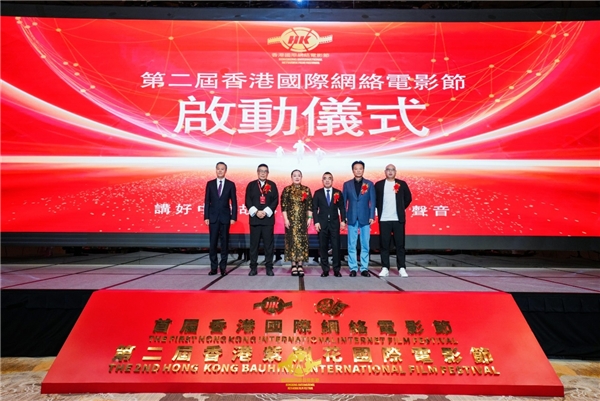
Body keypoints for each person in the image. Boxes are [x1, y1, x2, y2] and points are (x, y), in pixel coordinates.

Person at [375, 164, 412, 277]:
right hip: (384, 219)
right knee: (384, 245)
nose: (390, 172)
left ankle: (401, 268)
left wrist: (400, 208)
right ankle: (385, 267)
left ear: (395, 172)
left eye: (392, 170)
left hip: (398, 219)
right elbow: (375, 200)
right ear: (385, 171)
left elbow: (408, 198)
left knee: (400, 245)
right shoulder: (379, 185)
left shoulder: (402, 184)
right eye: (388, 170)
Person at [343, 161, 376, 277]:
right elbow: (344, 202)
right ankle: (353, 268)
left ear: (363, 170)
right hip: (351, 217)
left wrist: (372, 216)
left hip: (365, 217)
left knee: (365, 244)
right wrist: (344, 217)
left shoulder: (369, 184)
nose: (358, 171)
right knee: (351, 244)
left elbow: (373, 201)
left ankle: (364, 268)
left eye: (360, 168)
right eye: (356, 169)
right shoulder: (347, 184)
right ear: (353, 170)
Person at [245, 164, 279, 276]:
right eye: (261, 171)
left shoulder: (272, 185)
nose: (263, 173)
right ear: (257, 172)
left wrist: (265, 212)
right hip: (255, 219)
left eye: (265, 171)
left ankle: (269, 267)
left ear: (268, 173)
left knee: (268, 245)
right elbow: (247, 200)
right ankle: (253, 267)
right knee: (254, 245)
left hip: (267, 220)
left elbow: (275, 200)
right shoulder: (251, 185)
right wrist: (256, 212)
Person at [204, 162, 237, 276]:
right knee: (213, 243)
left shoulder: (230, 184)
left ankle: (223, 267)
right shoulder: (210, 184)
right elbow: (207, 202)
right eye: (218, 169)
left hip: (225, 218)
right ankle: (213, 268)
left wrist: (233, 217)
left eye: (222, 169)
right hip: (213, 218)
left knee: (224, 243)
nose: (220, 171)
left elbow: (234, 202)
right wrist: (206, 216)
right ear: (215, 170)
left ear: (225, 171)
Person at [313, 172, 346, 277]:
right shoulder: (318, 193)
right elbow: (314, 209)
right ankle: (325, 269)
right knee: (323, 247)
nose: (327, 180)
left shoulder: (338, 192)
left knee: (336, 247)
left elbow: (342, 208)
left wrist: (343, 220)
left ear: (332, 180)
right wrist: (316, 222)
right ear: (322, 181)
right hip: (322, 224)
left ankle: (336, 269)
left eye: (329, 178)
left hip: (334, 223)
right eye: (325, 178)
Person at [281, 170, 313, 276]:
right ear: (291, 177)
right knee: (292, 241)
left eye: (299, 175)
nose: (297, 177)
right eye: (294, 176)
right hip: (290, 221)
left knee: (302, 242)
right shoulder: (287, 190)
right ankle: (293, 264)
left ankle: (300, 264)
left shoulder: (306, 189)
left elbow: (309, 206)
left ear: (301, 177)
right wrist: (286, 219)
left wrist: (309, 218)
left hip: (302, 221)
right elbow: (284, 206)